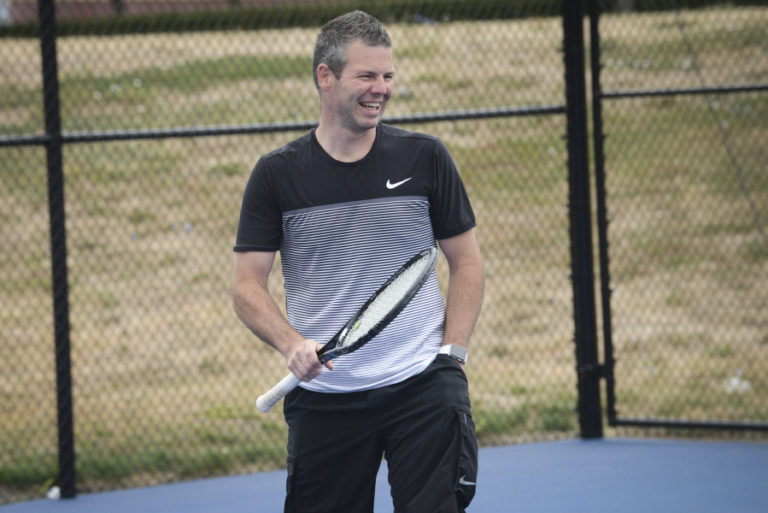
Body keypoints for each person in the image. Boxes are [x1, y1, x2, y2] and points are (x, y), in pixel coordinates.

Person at [232, 10, 484, 513]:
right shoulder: (276, 175)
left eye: (388, 76)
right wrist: (291, 344)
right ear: (325, 77)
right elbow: (246, 286)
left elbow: (467, 262)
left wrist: (451, 356)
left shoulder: (426, 159)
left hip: (423, 389)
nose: (381, 89)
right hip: (326, 400)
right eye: (366, 76)